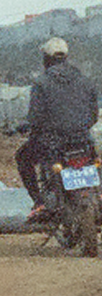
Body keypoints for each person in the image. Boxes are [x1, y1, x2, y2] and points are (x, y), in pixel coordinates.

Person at [17, 38, 98, 218]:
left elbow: (35, 118)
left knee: (22, 157)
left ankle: (39, 203)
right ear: (66, 57)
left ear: (46, 59)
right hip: (83, 140)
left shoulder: (41, 83)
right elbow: (93, 116)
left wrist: (27, 127)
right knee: (95, 163)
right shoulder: (85, 81)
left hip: (52, 144)